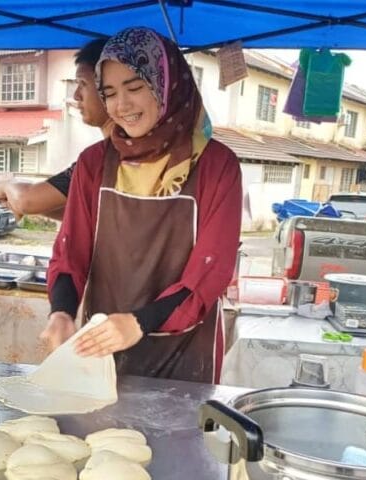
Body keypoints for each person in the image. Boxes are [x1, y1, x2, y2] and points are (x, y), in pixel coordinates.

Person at [41, 27, 242, 384]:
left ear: (168, 85)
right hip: (103, 349)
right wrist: (61, 312)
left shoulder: (216, 166)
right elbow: (71, 254)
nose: (122, 106)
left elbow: (209, 274)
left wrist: (138, 322)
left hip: (185, 357)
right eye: (110, 93)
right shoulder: (94, 163)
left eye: (135, 88)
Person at [0, 38, 113, 221]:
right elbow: (84, 212)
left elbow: (27, 200)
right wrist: (29, 202)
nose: (76, 95)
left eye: (83, 84)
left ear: (111, 89)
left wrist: (6, 186)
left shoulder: (106, 157)